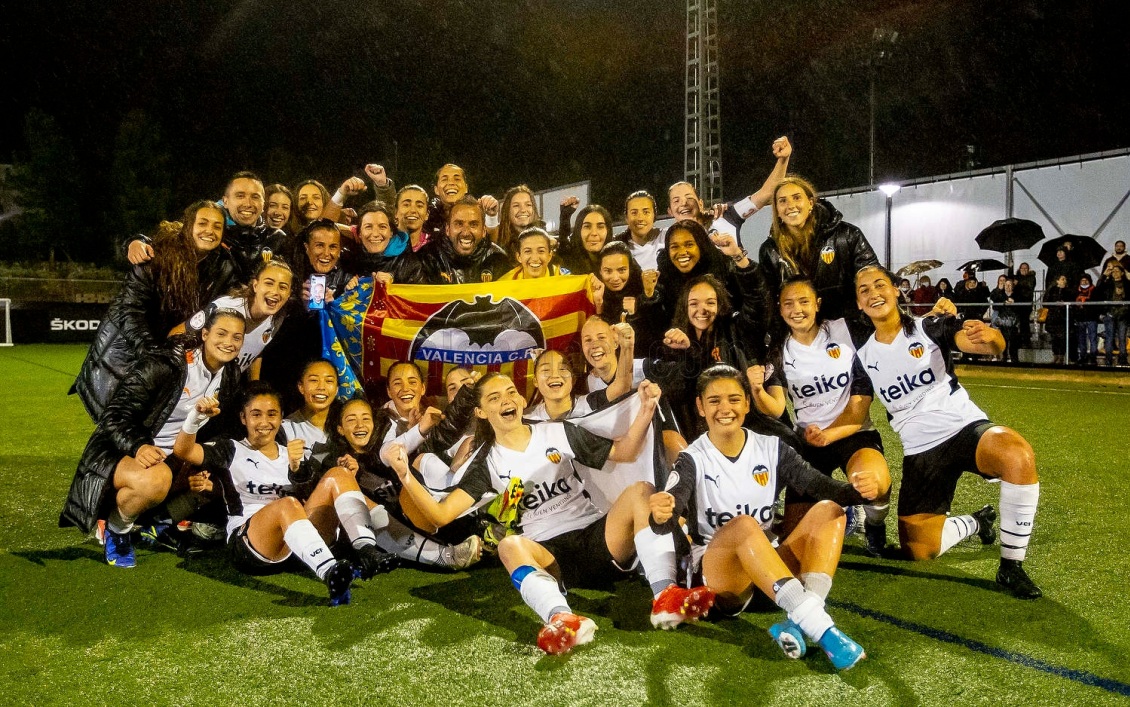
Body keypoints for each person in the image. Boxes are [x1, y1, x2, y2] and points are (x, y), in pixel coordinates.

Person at [385, 373, 717, 654]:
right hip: (549, 557)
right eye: (495, 397)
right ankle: (561, 618)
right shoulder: (486, 463)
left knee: (642, 490)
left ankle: (665, 596)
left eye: (511, 392)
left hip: (595, 539)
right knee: (508, 546)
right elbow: (441, 516)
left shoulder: (556, 431)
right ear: (481, 412)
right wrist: (404, 475)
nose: (507, 399)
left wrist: (645, 408)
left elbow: (626, 451)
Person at [649, 364, 876, 669]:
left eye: (733, 399)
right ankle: (823, 631)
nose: (724, 408)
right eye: (714, 401)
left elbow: (817, 484)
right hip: (724, 580)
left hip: (770, 570)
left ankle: (800, 619)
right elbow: (673, 502)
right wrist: (662, 510)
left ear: (746, 403)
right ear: (700, 407)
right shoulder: (693, 457)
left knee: (829, 511)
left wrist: (856, 491)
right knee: (744, 525)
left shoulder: (771, 447)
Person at [853, 265, 1042, 599]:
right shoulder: (863, 356)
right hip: (920, 451)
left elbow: (988, 345)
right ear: (858, 304)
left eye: (880, 284)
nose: (873, 293)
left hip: (963, 427)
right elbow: (857, 408)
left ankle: (1011, 566)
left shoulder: (930, 326)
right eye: (864, 289)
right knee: (919, 550)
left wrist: (989, 337)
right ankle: (977, 522)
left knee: (1017, 455)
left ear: (896, 290)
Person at [173, 382, 396, 605]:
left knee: (338, 474)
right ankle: (331, 573)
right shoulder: (230, 449)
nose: (264, 422)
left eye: (272, 414)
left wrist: (297, 468)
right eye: (256, 414)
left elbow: (316, 496)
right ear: (243, 418)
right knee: (287, 504)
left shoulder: (294, 453)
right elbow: (184, 451)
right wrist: (196, 417)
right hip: (252, 546)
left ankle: (366, 549)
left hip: (298, 546)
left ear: (281, 418)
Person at [60, 308, 247, 567]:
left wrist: (203, 463)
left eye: (237, 337)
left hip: (179, 456)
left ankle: (158, 524)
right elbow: (113, 415)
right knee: (155, 480)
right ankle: (117, 528)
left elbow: (216, 430)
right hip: (123, 450)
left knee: (219, 479)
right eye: (222, 333)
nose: (229, 342)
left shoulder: (230, 374)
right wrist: (138, 446)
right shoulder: (166, 363)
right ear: (204, 334)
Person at [72, 202, 237, 421]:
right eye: (203, 223)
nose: (210, 231)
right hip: (125, 356)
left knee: (149, 427)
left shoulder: (221, 266)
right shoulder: (156, 256)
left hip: (167, 357)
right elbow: (130, 310)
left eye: (217, 226)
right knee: (118, 426)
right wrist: (151, 353)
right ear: (188, 226)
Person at [763, 277, 892, 550]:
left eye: (804, 301)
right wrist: (756, 390)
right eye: (788, 303)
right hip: (809, 442)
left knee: (874, 484)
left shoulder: (845, 331)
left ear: (818, 304)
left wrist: (930, 317)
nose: (796, 309)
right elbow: (776, 406)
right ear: (779, 308)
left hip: (852, 432)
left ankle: (875, 524)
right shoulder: (779, 350)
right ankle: (845, 511)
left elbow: (861, 400)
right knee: (796, 537)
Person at [660, 274, 769, 438]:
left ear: (720, 305)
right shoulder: (674, 341)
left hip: (745, 425)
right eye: (694, 304)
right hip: (697, 434)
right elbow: (682, 390)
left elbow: (757, 306)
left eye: (710, 302)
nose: (702, 310)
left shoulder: (734, 330)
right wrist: (687, 350)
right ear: (685, 307)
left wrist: (741, 261)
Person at [759, 176, 879, 320]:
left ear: (810, 203)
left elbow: (873, 279)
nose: (790, 205)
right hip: (800, 331)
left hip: (847, 327)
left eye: (797, 198)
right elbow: (769, 300)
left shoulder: (847, 235)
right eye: (783, 201)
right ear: (777, 210)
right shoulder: (770, 250)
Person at [182, 258, 293, 379]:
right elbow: (178, 333)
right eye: (269, 283)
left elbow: (257, 348)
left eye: (282, 287)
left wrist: (254, 385)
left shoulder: (277, 318)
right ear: (255, 285)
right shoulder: (223, 307)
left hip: (223, 388)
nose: (275, 291)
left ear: (289, 294)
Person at [414, 196, 510, 284]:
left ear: (484, 231)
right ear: (447, 229)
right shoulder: (427, 258)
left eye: (473, 224)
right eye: (459, 224)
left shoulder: (498, 259)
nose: (465, 233)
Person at [281, 359, 339, 459]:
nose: (321, 387)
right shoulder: (286, 429)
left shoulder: (345, 424)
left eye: (329, 381)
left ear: (337, 389)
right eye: (314, 380)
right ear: (301, 387)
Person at [557, 204, 613, 275]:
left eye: (600, 227)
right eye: (587, 226)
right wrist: (565, 218)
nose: (594, 233)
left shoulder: (619, 258)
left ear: (608, 231)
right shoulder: (567, 263)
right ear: (578, 230)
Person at [617, 190, 663, 271]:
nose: (640, 218)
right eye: (634, 213)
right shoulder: (617, 246)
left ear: (654, 215)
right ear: (626, 217)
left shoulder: (667, 237)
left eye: (646, 212)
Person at [498, 228, 565, 280]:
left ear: (549, 256)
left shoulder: (564, 279)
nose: (535, 258)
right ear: (519, 257)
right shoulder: (505, 283)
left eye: (541, 251)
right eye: (528, 251)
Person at [1096, 260, 1129, 365]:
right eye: (1113, 271)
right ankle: (1109, 359)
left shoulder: (1127, 284)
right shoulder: (1108, 283)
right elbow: (1098, 289)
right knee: (1109, 337)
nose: (1115, 273)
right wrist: (1103, 276)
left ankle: (1123, 359)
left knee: (1122, 338)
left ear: (1122, 273)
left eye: (1117, 271)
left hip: (1123, 314)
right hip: (1110, 313)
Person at [495, 185, 543, 256]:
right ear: (507, 210)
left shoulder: (546, 240)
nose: (523, 210)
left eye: (528, 205)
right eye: (516, 205)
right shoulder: (498, 241)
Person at [1042, 274, 1073, 364]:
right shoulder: (1051, 290)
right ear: (1057, 281)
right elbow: (1046, 302)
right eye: (1062, 279)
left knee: (1062, 338)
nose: (1064, 281)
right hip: (1053, 317)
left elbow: (1071, 302)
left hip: (1063, 318)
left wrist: (1064, 304)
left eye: (1065, 279)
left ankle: (1061, 356)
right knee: (1054, 338)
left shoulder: (1068, 291)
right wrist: (1054, 303)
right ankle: (1055, 355)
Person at [394, 184, 432, 252]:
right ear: (395, 212)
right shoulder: (384, 244)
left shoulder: (435, 248)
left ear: (427, 214)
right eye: (406, 205)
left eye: (419, 206)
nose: (413, 210)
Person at [1073, 274, 1100, 365]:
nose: (1084, 282)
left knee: (1093, 339)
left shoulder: (1095, 290)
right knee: (1081, 339)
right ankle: (1083, 356)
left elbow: (1096, 304)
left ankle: (1093, 357)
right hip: (1080, 319)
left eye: (1086, 281)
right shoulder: (1076, 291)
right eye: (1082, 281)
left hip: (1091, 318)